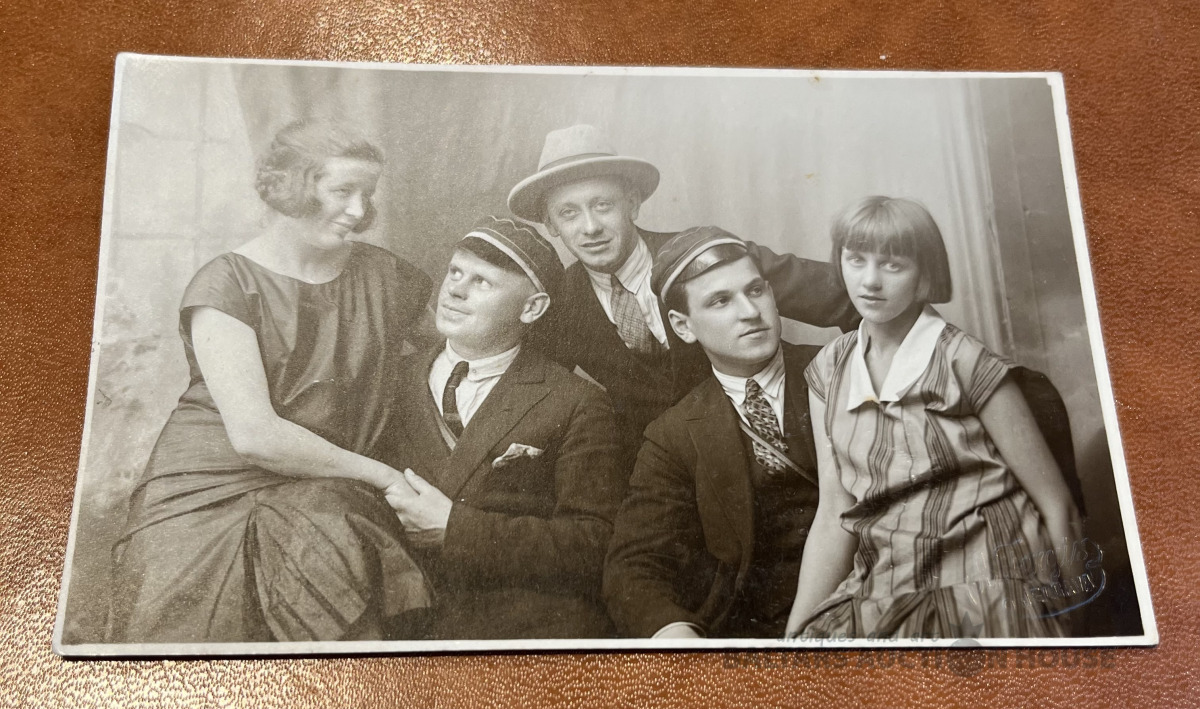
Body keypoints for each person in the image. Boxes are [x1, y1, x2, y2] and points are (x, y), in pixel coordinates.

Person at [107, 120, 433, 643]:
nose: (359, 210)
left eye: (367, 194)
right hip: (206, 489)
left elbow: (459, 351)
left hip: (326, 484)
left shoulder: (387, 277)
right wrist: (386, 477)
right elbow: (256, 436)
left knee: (333, 552)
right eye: (343, 191)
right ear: (292, 186)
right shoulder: (226, 283)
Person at [785, 196, 1083, 640]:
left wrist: (1075, 623)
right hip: (885, 583)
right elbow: (834, 514)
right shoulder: (827, 371)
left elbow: (1057, 504)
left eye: (892, 265)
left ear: (925, 274)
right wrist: (793, 635)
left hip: (987, 580)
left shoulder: (966, 361)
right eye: (856, 259)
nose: (870, 281)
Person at [509, 125, 858, 451]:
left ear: (632, 204)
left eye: (603, 205)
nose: (590, 228)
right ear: (551, 226)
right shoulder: (560, 303)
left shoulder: (707, 254)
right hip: (662, 465)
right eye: (568, 213)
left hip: (781, 443)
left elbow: (852, 298)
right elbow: (534, 390)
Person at [382, 216, 626, 639]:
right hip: (405, 618)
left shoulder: (577, 401)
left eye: (482, 282)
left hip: (524, 624)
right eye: (455, 272)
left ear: (532, 308)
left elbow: (594, 542)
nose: (454, 290)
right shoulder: (391, 379)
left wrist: (457, 530)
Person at [603, 226, 822, 638]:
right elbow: (633, 565)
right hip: (757, 635)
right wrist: (674, 632)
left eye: (755, 290)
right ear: (683, 327)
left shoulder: (838, 369)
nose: (750, 311)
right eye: (721, 301)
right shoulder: (672, 436)